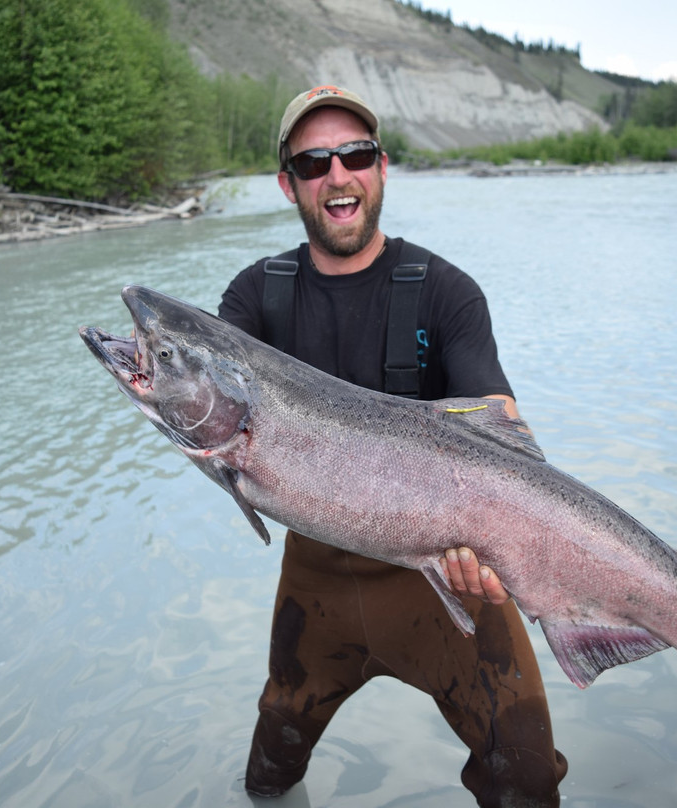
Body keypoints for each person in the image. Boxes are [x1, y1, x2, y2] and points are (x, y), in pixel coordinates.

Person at [218, 85, 567, 807]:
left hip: (453, 590)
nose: (337, 175)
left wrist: (502, 547)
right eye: (314, 162)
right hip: (316, 592)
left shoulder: (447, 294)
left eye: (356, 154)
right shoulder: (253, 302)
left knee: (529, 781)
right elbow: (214, 423)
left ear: (383, 167)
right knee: (268, 777)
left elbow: (506, 432)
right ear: (288, 184)